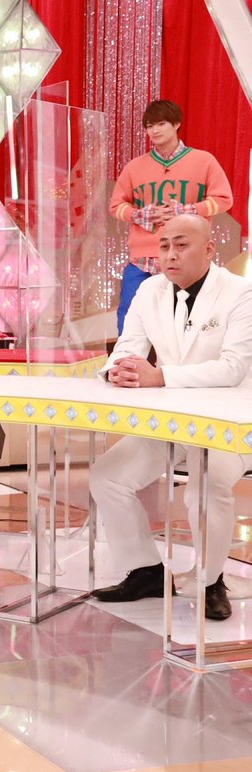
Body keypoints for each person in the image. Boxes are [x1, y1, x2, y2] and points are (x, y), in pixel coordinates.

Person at [90, 214, 252, 621]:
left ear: (209, 250)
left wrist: (160, 376)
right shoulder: (149, 290)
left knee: (205, 487)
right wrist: (118, 370)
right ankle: (146, 570)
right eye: (164, 246)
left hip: (229, 424)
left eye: (181, 245)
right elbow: (127, 347)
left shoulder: (241, 292)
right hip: (171, 421)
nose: (170, 255)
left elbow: (233, 368)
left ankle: (211, 581)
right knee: (108, 476)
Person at [110, 99, 232, 335]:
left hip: (188, 256)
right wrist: (140, 214)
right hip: (143, 258)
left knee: (187, 318)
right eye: (149, 126)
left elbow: (224, 199)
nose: (154, 131)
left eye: (161, 124)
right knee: (131, 317)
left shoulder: (203, 160)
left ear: (176, 124)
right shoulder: (135, 167)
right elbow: (116, 205)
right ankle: (129, 357)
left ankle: (180, 360)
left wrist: (187, 211)